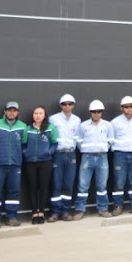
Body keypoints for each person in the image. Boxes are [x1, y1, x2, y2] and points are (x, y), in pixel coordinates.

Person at [0, 101, 28, 228]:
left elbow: (24, 145)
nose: (12, 113)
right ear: (5, 111)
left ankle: (11, 217)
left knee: (14, 192)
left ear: (18, 112)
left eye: (14, 110)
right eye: (9, 110)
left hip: (15, 165)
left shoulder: (23, 127)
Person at [74, 100, 114, 219]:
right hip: (87, 157)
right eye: (93, 112)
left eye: (98, 111)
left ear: (102, 112)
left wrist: (103, 148)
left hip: (102, 157)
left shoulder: (107, 125)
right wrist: (88, 149)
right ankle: (80, 210)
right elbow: (78, 141)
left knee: (102, 185)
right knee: (83, 185)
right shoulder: (83, 125)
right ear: (90, 113)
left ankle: (103, 209)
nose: (96, 114)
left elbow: (111, 140)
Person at [110, 95, 132, 215]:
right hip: (120, 155)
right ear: (121, 108)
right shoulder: (115, 122)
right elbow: (111, 139)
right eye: (126, 107)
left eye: (131, 106)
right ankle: (118, 205)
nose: (129, 109)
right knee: (119, 182)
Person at [23, 106, 58, 224]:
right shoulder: (27, 129)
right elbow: (23, 144)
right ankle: (34, 213)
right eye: (36, 113)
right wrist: (26, 153)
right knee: (33, 188)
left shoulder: (50, 128)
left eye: (40, 113)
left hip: (45, 162)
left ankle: (41, 213)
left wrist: (49, 152)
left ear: (44, 115)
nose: (38, 115)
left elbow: (54, 143)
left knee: (43, 187)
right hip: (31, 162)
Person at [49, 93, 80, 222]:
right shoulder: (53, 119)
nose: (67, 106)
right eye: (64, 104)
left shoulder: (77, 120)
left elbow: (77, 138)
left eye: (70, 104)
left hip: (71, 154)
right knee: (57, 184)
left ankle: (65, 211)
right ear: (61, 106)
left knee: (68, 184)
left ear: (73, 106)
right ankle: (55, 212)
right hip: (58, 154)